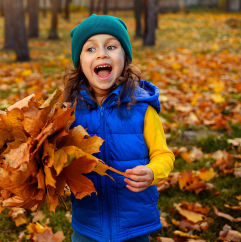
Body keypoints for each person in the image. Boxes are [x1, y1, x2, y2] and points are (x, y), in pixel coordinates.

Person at [63, 14, 175, 242]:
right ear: (80, 63)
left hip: (134, 225)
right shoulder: (69, 112)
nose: (102, 53)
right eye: (91, 49)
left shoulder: (143, 109)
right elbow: (57, 156)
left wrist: (153, 172)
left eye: (111, 46)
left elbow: (163, 154)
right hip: (88, 225)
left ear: (125, 57)